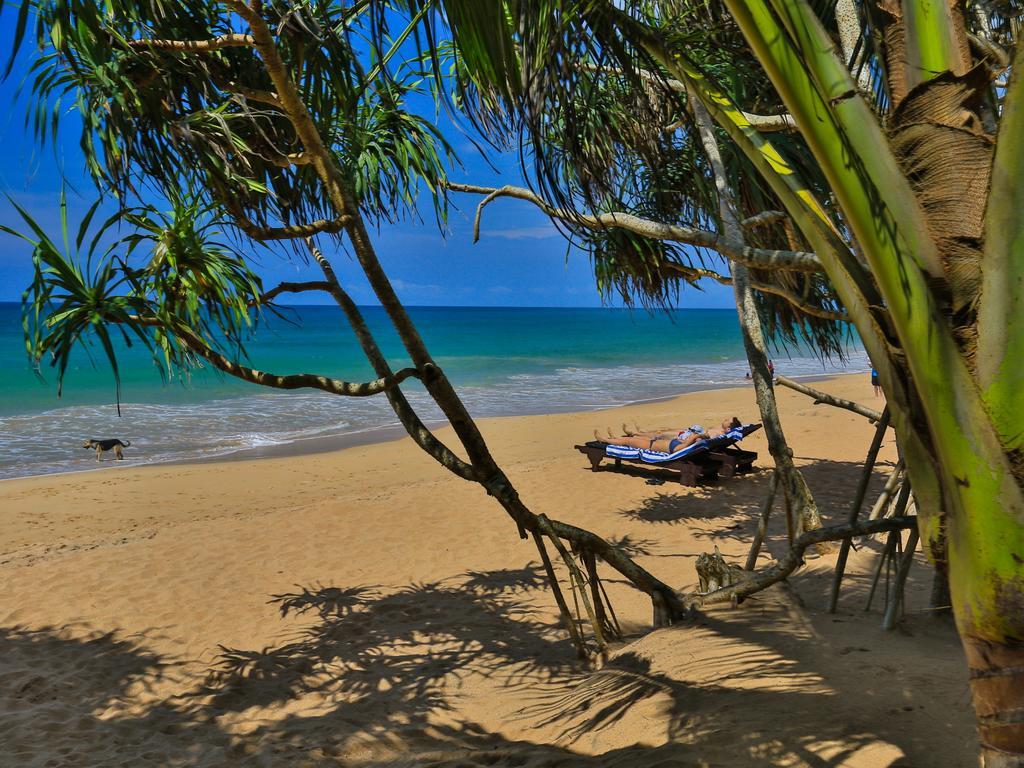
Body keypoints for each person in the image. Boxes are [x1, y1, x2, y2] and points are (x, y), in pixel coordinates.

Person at [597, 417, 743, 453]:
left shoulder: (711, 437)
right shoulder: (717, 436)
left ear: (729, 429)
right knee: (632, 440)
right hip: (675, 443)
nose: (724, 420)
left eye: (727, 420)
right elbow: (697, 439)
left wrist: (693, 436)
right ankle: (611, 439)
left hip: (674, 445)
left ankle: (606, 440)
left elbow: (696, 440)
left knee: (630, 441)